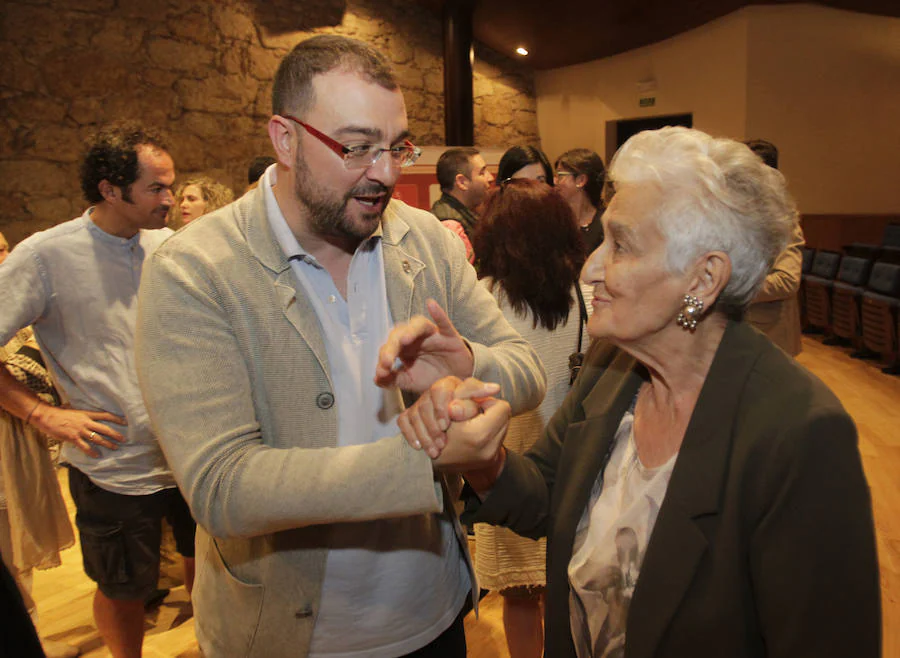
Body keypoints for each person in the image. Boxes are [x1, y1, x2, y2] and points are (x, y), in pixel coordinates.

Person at [134, 35, 545, 658]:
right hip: (286, 635)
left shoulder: (424, 240)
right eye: (356, 146)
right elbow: (223, 487)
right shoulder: (195, 269)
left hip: (432, 614)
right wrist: (425, 459)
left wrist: (468, 364)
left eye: (396, 146)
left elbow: (524, 368)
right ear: (285, 138)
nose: (385, 172)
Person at [402, 127, 881, 657]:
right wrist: (482, 456)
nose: (591, 267)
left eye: (622, 246)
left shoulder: (802, 433)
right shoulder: (614, 363)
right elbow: (548, 497)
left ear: (703, 279)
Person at [0, 122, 198, 658]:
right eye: (156, 187)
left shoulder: (168, 245)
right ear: (111, 190)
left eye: (171, 185)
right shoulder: (45, 256)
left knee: (207, 558)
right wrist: (42, 414)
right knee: (124, 587)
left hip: (185, 449)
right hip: (113, 462)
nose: (170, 199)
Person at [470, 178, 585, 658]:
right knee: (570, 587)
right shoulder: (583, 297)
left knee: (519, 598)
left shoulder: (484, 298)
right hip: (572, 461)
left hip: (507, 460)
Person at [0, 232, 78, 658]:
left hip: (20, 441)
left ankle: (25, 630)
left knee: (17, 539)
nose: (5, 258)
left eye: (4, 248)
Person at [744, 139, 804, 355]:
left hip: (771, 335)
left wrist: (732, 288)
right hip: (739, 332)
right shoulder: (737, 216)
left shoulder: (785, 221)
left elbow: (787, 281)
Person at [430, 147, 495, 263]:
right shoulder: (450, 225)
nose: (490, 177)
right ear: (461, 182)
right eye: (482, 172)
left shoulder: (464, 213)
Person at [554, 148, 607, 253]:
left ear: (581, 180)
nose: (554, 181)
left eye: (560, 176)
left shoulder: (606, 224)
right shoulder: (554, 220)